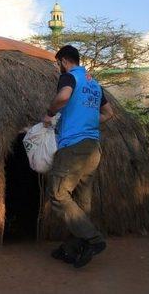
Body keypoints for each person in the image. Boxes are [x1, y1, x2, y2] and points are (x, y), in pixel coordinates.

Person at [42, 44, 114, 268]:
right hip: (93, 148)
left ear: (64, 61)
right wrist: (88, 123)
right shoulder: (93, 83)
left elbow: (63, 98)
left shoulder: (70, 77)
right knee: (82, 202)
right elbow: (109, 114)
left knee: (58, 194)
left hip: (73, 147)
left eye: (58, 63)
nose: (59, 67)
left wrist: (50, 113)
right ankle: (71, 249)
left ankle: (94, 239)